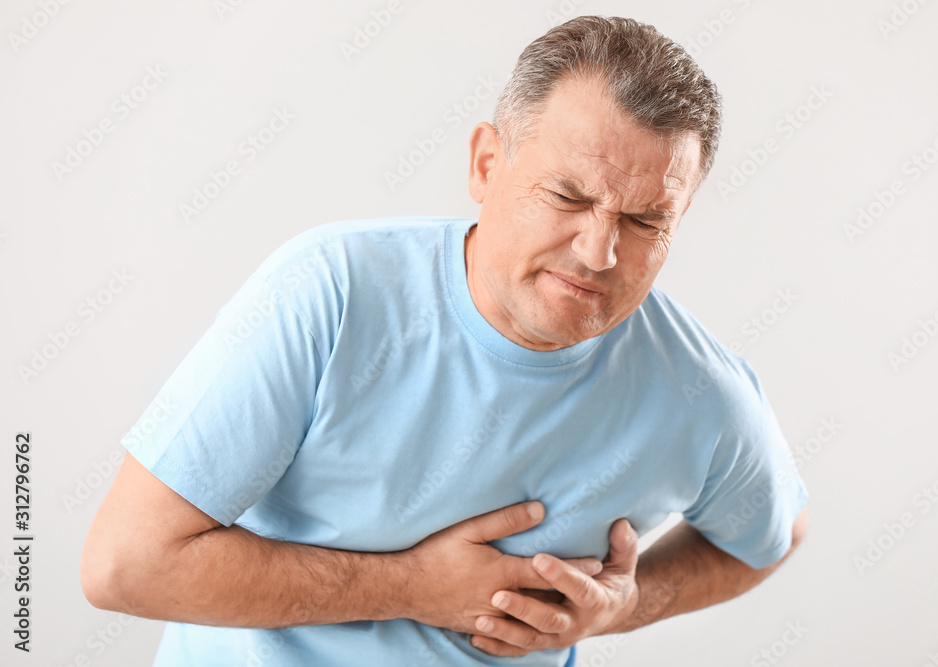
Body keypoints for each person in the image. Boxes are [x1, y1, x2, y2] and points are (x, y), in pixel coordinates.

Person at [81, 15, 809, 666]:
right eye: (568, 196)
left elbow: (773, 535)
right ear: (487, 166)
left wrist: (623, 605)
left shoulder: (700, 393)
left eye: (646, 221)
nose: (599, 252)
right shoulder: (328, 293)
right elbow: (125, 564)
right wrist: (412, 585)